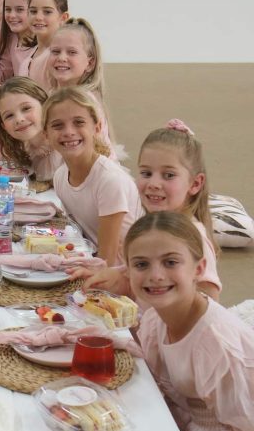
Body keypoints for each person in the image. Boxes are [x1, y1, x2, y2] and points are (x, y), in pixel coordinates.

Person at [123, 212, 254, 431]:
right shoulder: (154, 319)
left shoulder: (216, 343)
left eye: (170, 262)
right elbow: (158, 388)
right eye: (140, 265)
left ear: (198, 269)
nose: (155, 276)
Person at [76, 121, 221, 300]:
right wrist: (108, 277)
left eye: (168, 175)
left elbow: (210, 302)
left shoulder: (193, 238)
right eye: (146, 173)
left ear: (195, 183)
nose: (153, 184)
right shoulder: (150, 227)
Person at [44, 86, 141, 265]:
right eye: (58, 125)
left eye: (79, 122)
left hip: (125, 274)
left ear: (97, 128)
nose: (68, 132)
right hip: (92, 261)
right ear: (46, 134)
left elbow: (107, 261)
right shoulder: (60, 176)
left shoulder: (109, 180)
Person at [47, 17, 118, 156]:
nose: (61, 57)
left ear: (90, 63)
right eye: (55, 51)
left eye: (72, 52)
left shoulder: (84, 102)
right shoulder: (52, 94)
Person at [0, 77, 60, 181]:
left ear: (44, 106)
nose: (19, 119)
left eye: (26, 108)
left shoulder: (64, 151)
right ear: (4, 126)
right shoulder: (23, 149)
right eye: (9, 115)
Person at [27, 0, 69, 89]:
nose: (38, 17)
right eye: (33, 11)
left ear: (63, 18)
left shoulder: (59, 58)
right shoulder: (31, 52)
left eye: (47, 12)